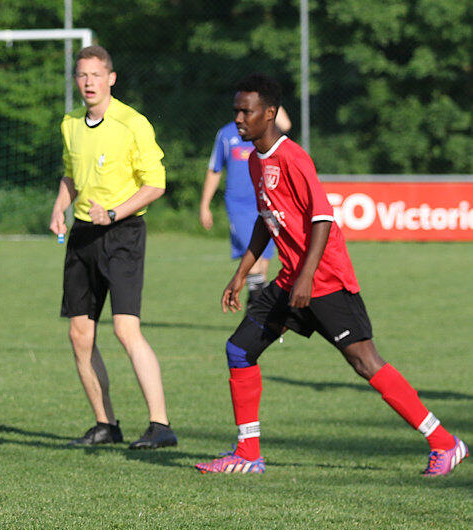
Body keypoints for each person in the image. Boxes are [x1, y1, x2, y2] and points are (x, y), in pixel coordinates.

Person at [194, 73, 467, 476]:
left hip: (325, 280)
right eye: (236, 110)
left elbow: (322, 218)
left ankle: (445, 443)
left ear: (269, 113)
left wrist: (306, 278)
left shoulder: (293, 157)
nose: (238, 119)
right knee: (239, 350)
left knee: (365, 362)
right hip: (291, 280)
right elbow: (267, 220)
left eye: (245, 111)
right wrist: (241, 274)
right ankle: (248, 454)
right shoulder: (254, 160)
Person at [49, 45, 178, 450]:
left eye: (96, 75)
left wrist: (115, 212)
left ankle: (161, 425)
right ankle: (106, 424)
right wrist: (59, 207)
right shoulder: (70, 123)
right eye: (82, 75)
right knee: (79, 334)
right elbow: (71, 175)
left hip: (123, 234)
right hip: (83, 235)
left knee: (125, 329)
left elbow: (155, 184)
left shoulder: (132, 123)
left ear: (111, 78)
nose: (88, 82)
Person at [198, 107, 291, 305]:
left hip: (266, 203)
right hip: (238, 205)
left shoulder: (264, 130)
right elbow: (214, 170)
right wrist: (205, 205)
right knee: (253, 259)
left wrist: (271, 96)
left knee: (263, 264)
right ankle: (260, 309)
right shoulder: (226, 134)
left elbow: (286, 124)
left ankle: (257, 309)